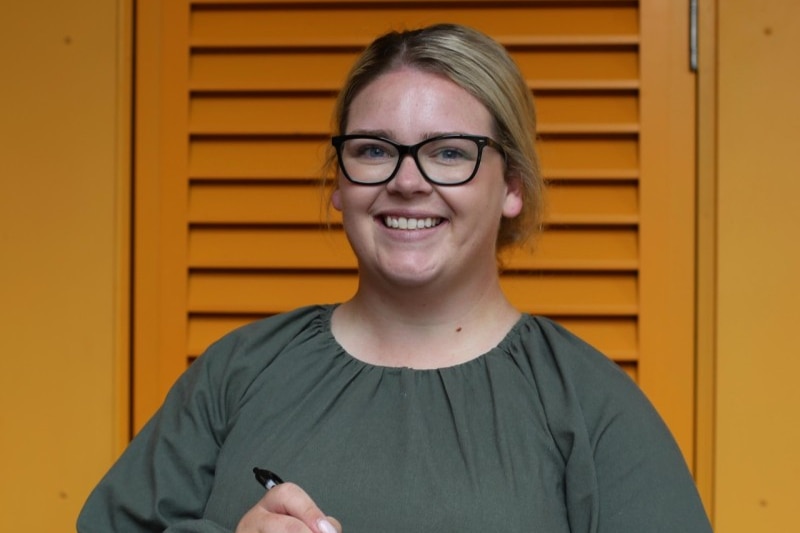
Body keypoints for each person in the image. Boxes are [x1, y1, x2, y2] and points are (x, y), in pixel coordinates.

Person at [77, 23, 712, 533]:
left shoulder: (591, 403)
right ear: (339, 183)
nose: (407, 181)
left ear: (512, 186)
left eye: (449, 153)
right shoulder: (236, 372)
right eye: (374, 150)